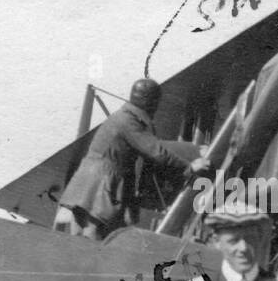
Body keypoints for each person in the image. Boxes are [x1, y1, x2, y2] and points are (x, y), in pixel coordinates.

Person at [56, 77, 211, 239]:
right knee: (91, 235)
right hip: (100, 185)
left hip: (87, 183)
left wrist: (130, 207)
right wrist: (190, 166)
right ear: (152, 103)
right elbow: (155, 151)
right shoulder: (130, 121)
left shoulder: (121, 117)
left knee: (83, 235)